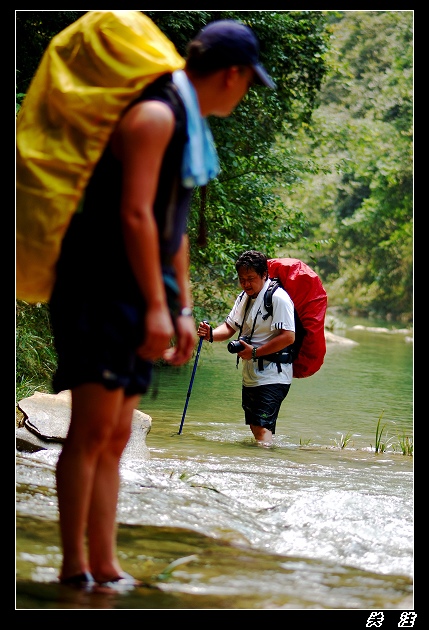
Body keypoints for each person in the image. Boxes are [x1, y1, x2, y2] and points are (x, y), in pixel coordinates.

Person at [47, 19, 275, 590]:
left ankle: (105, 565)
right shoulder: (155, 116)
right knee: (92, 431)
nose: (245, 92)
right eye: (248, 83)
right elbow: (134, 214)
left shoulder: (187, 128)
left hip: (137, 295)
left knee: (117, 435)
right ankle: (75, 568)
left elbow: (174, 231)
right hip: (100, 291)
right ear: (232, 74)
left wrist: (179, 308)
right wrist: (155, 303)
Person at [197, 250, 295, 447]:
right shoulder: (244, 297)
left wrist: (255, 352)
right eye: (242, 279)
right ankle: (267, 459)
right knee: (255, 425)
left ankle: (263, 466)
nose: (246, 283)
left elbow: (288, 337)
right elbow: (229, 328)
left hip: (274, 374)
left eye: (251, 278)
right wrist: (210, 334)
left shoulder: (279, 298)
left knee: (261, 427)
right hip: (252, 374)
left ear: (264, 275)